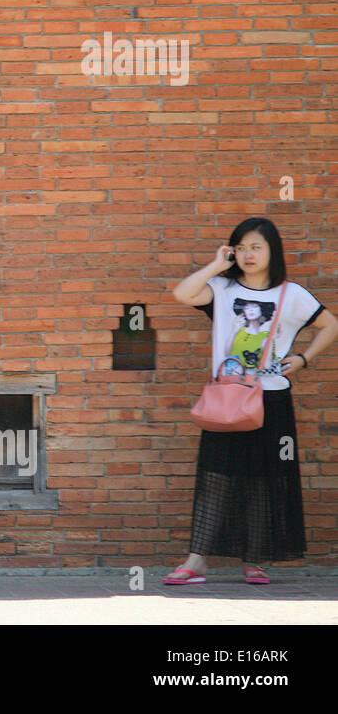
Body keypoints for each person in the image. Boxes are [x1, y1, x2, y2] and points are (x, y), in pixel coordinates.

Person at [166, 218, 337, 584]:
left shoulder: (291, 294)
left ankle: (255, 560)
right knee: (215, 476)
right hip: (227, 396)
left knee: (264, 478)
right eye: (241, 247)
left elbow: (332, 325)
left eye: (256, 247)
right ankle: (197, 560)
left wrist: (304, 359)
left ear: (272, 251)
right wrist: (216, 265)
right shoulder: (222, 289)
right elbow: (182, 294)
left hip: (271, 399)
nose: (248, 254)